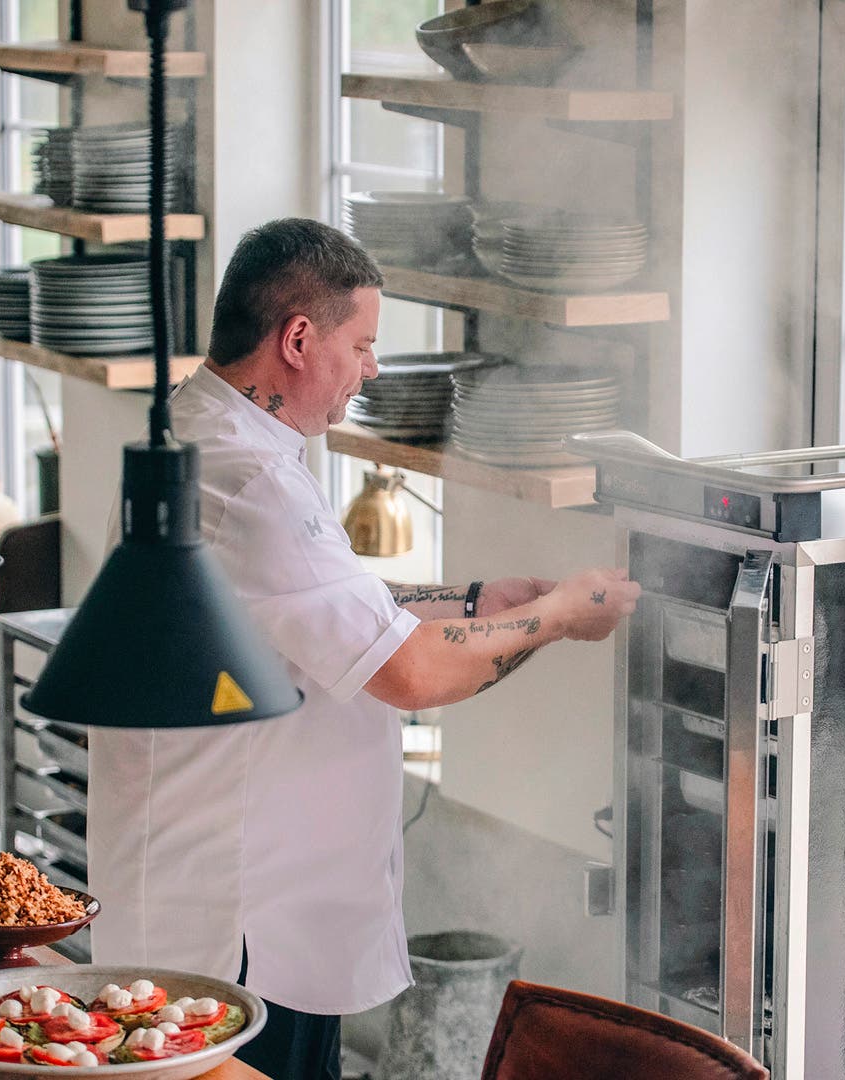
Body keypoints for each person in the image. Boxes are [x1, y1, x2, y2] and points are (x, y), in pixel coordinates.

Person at [86, 218, 642, 1080]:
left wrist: (470, 600)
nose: (372, 369)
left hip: (213, 897)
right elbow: (409, 674)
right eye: (363, 345)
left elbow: (301, 607)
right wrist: (561, 614)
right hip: (244, 926)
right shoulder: (257, 481)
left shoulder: (197, 431)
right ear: (298, 340)